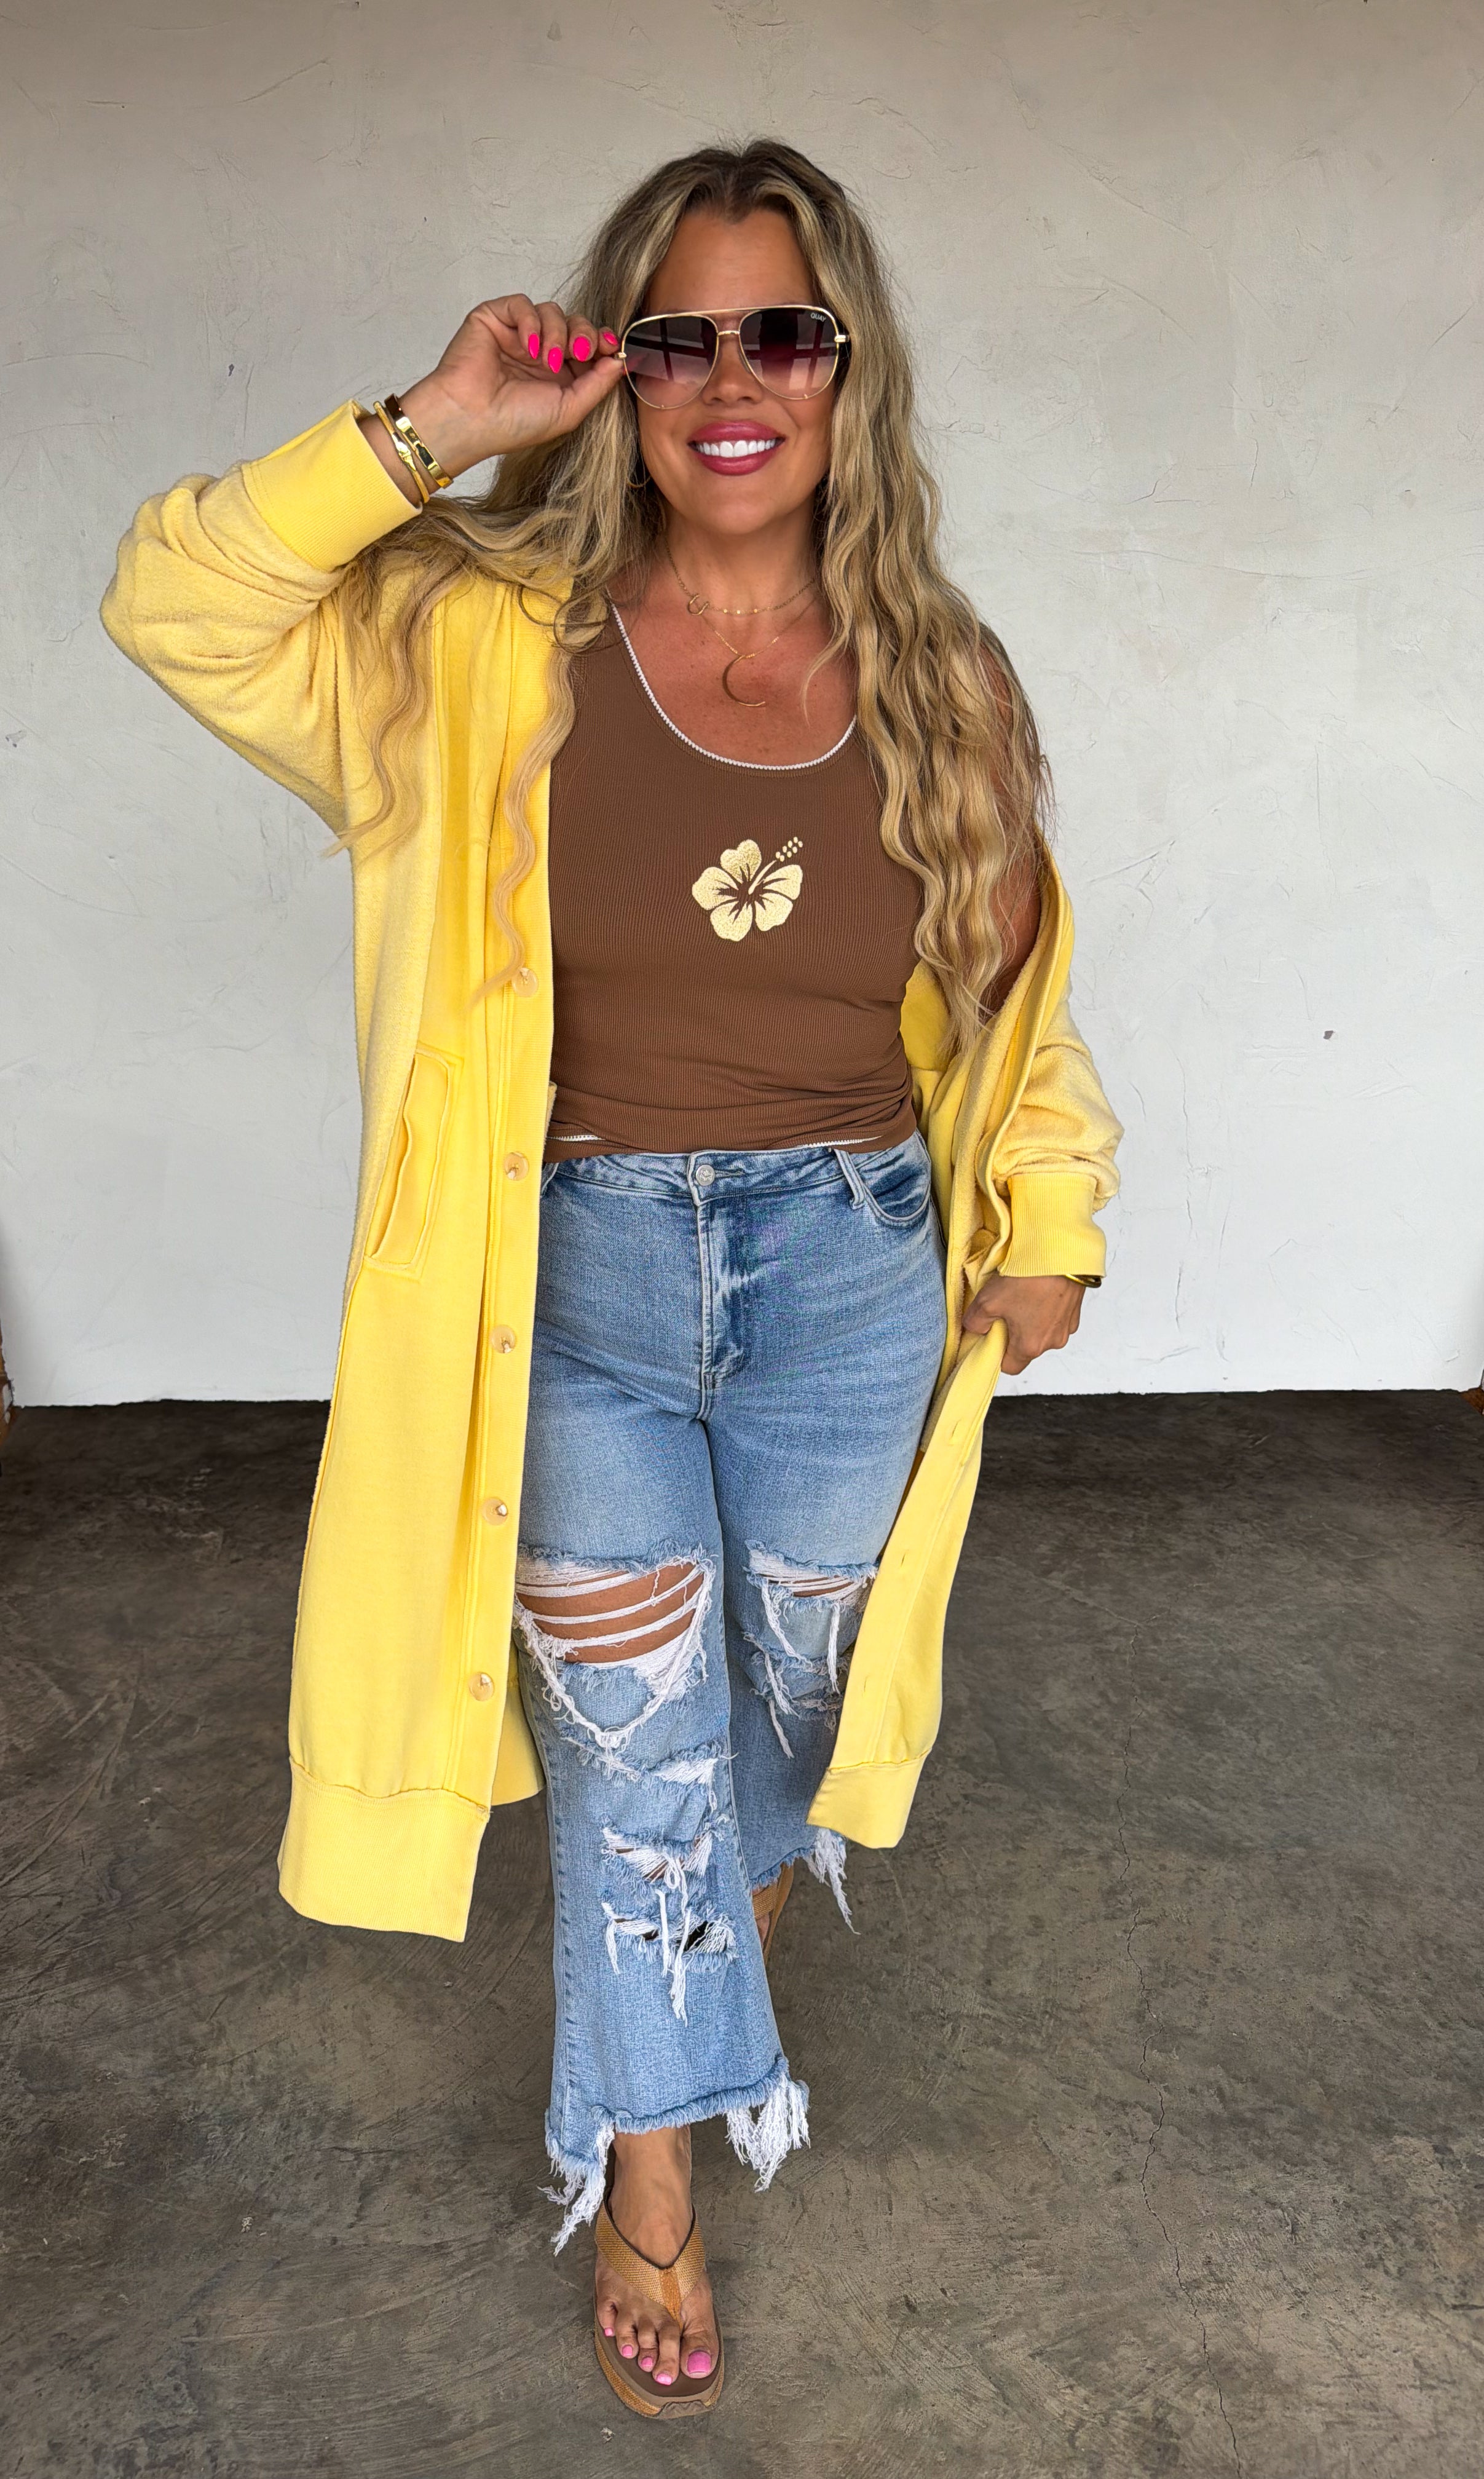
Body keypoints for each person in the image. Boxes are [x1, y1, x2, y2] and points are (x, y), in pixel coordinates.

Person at [103, 138, 1121, 2419]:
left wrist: (1047, 1220)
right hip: (563, 1285)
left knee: (793, 1725)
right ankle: (649, 2173)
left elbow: (1019, 1000)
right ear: (619, 371)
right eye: (679, 338)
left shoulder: (939, 675)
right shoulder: (477, 639)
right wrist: (439, 427)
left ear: (850, 369)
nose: (732, 383)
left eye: (784, 333)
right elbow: (176, 601)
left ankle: (679, 1983)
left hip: (856, 1272)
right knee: (635, 1755)